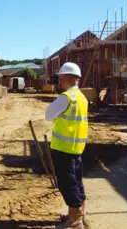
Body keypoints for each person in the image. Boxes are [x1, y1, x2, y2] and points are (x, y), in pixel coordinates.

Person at [45, 62, 89, 229]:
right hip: (76, 148)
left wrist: (56, 101)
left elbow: (49, 115)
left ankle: (75, 221)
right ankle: (77, 214)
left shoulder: (66, 97)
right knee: (76, 181)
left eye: (61, 78)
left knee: (67, 184)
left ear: (69, 78)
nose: (60, 82)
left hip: (63, 148)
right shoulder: (82, 98)